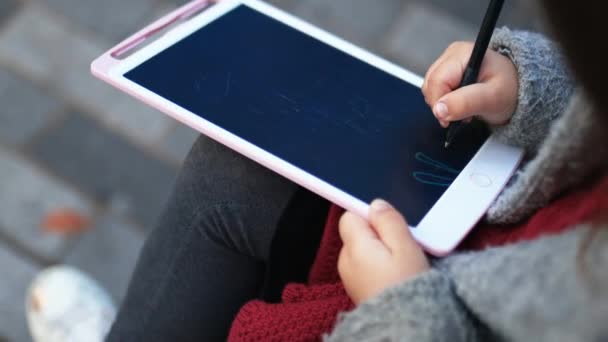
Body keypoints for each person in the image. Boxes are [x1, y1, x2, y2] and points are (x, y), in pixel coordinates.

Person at [27, 0, 608, 340]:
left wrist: (402, 317)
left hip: (424, 308)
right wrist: (536, 87)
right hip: (510, 214)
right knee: (232, 168)